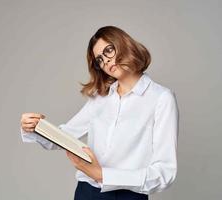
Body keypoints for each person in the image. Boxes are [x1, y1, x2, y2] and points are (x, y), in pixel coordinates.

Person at [20, 25, 179, 200]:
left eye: (108, 50)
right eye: (100, 60)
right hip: (86, 192)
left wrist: (102, 175)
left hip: (128, 196)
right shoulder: (100, 98)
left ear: (124, 43)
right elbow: (65, 137)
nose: (106, 61)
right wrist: (35, 128)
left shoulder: (161, 98)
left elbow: (165, 172)